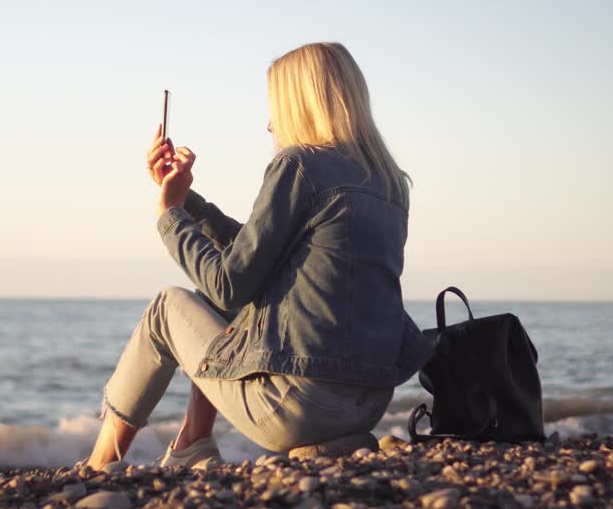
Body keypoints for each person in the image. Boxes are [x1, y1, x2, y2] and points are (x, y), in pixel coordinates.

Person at [85, 42, 433, 470]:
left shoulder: (300, 165)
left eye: (276, 108)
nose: (270, 125)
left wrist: (169, 215)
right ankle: (193, 441)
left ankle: (99, 465)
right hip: (367, 404)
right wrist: (186, 200)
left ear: (301, 104)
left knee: (167, 307)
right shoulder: (389, 183)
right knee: (206, 301)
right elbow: (259, 255)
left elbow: (230, 285)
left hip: (297, 407)